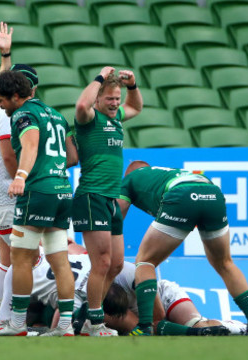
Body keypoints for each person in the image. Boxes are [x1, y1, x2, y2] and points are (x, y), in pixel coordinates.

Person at [117, 161, 248, 336]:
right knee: (225, 263)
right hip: (212, 192)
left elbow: (117, 215)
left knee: (145, 261)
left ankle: (145, 327)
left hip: (182, 195)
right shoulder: (166, 173)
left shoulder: (129, 179)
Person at [0, 70, 77, 337]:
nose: (0, 106)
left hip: (38, 192)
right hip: (62, 190)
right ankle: (65, 326)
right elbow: (72, 156)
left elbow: (31, 144)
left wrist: (22, 176)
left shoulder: (24, 114)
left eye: (1, 100)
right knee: (60, 261)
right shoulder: (57, 115)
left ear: (16, 96)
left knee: (21, 257)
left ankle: (16, 324)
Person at [72, 65, 143, 336]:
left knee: (114, 264)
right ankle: (95, 322)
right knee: (101, 263)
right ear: (98, 99)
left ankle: (87, 315)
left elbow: (135, 108)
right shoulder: (88, 118)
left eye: (117, 98)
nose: (115, 104)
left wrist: (133, 85)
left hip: (111, 199)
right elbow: (81, 104)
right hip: (92, 196)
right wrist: (100, 77)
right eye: (109, 99)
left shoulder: (116, 118)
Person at [103, 262, 248, 336]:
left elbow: (158, 317)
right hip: (132, 310)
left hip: (162, 297)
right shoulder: (88, 295)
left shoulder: (128, 272)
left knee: (200, 327)